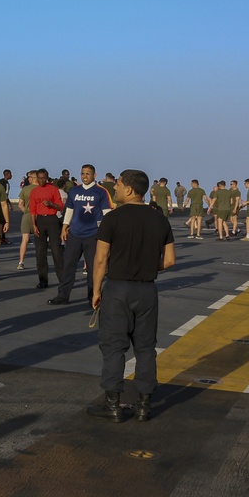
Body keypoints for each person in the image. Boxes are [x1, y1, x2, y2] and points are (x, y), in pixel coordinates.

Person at [87, 169, 174, 423]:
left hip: (118, 289)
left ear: (129, 189)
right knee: (146, 347)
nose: (114, 189)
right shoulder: (160, 219)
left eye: (118, 185)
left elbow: (101, 258)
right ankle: (144, 405)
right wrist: (148, 266)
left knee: (114, 347)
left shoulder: (113, 219)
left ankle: (113, 405)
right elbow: (169, 260)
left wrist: (96, 291)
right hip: (147, 290)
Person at [49, 164, 112, 306]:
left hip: (93, 236)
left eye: (88, 174)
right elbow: (69, 209)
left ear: (94, 175)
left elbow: (107, 213)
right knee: (68, 266)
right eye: (83, 173)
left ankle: (92, 296)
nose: (85, 176)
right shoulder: (74, 191)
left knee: (93, 268)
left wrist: (105, 233)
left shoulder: (101, 192)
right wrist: (65, 227)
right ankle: (63, 295)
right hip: (75, 235)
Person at [29, 168, 64, 289]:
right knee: (40, 252)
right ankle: (43, 280)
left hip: (52, 220)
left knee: (56, 251)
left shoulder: (53, 189)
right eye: (39, 178)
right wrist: (33, 224)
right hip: (40, 221)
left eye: (43, 178)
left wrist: (51, 204)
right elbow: (32, 209)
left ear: (47, 178)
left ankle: (62, 280)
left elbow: (60, 206)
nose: (41, 180)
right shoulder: (34, 191)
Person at [16, 170, 36, 270]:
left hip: (28, 214)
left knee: (24, 239)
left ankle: (21, 261)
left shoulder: (26, 189)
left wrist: (26, 211)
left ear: (32, 178)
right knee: (41, 240)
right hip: (39, 215)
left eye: (29, 177)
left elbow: (20, 204)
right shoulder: (41, 188)